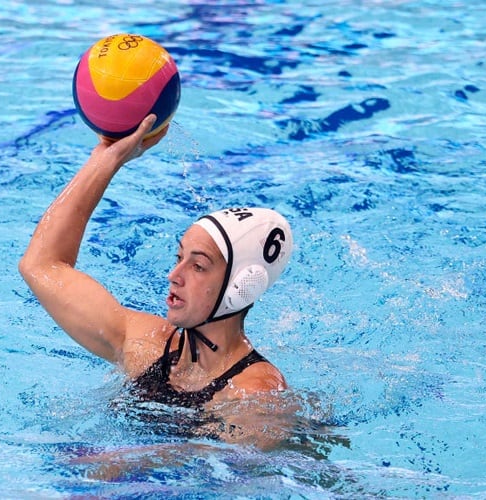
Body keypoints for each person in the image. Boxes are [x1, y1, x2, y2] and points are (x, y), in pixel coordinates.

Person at [18, 114, 294, 446]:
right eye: (179, 258)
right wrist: (106, 160)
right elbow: (42, 265)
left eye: (198, 266)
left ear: (241, 286)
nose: (173, 276)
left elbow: (219, 472)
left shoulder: (257, 396)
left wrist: (126, 464)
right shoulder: (145, 346)